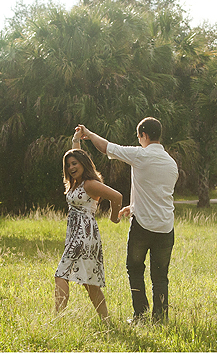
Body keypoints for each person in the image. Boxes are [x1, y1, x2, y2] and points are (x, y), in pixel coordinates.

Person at [76, 117, 178, 324]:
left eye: (139, 137)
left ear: (144, 135)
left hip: (142, 227)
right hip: (166, 227)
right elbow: (158, 193)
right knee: (160, 276)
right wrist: (132, 206)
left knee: (135, 269)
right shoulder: (171, 163)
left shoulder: (141, 155)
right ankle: (160, 319)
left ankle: (140, 315)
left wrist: (89, 134)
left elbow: (106, 148)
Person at [54, 131, 123, 323]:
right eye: (68, 165)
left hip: (83, 234)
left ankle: (57, 321)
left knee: (61, 274)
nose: (71, 167)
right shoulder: (77, 183)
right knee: (89, 282)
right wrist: (76, 141)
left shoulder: (90, 184)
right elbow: (77, 156)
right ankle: (106, 321)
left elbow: (117, 197)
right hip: (80, 234)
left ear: (83, 164)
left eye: (74, 163)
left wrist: (114, 217)